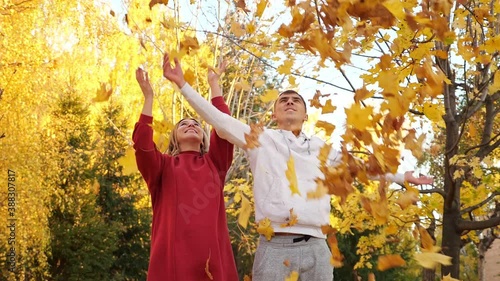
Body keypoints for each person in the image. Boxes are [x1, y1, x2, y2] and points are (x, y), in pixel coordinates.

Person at [162, 53, 434, 281]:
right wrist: (183, 85)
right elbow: (219, 121)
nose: (289, 102)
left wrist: (402, 176)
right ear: (275, 114)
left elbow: (361, 168)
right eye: (283, 100)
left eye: (296, 100)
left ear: (305, 115)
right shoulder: (261, 139)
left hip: (317, 246)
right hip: (275, 247)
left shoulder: (321, 148)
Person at [133, 66, 238, 281]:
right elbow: (142, 145)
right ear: (174, 137)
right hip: (172, 263)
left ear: (203, 137)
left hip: (212, 263)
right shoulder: (162, 167)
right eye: (184, 124)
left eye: (196, 124)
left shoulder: (215, 164)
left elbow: (225, 126)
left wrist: (214, 85)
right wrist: (149, 97)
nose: (191, 125)